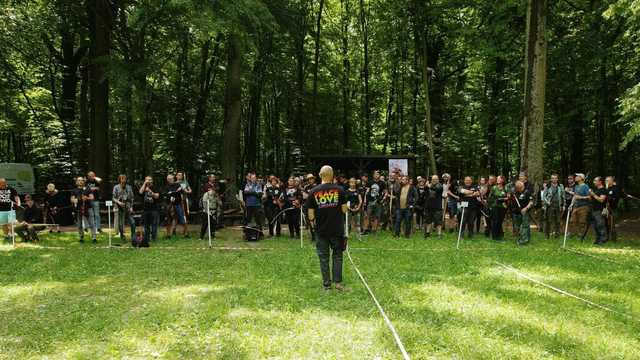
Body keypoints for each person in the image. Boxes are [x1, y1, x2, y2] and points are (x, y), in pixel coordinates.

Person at [306, 165, 348, 291]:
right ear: (332, 175)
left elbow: (311, 214)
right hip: (337, 229)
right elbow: (344, 210)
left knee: (323, 258)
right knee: (337, 256)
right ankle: (338, 283)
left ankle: (327, 286)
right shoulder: (340, 190)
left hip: (321, 230)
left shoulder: (313, 191)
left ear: (320, 175)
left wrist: (313, 225)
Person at [70, 176, 97, 243]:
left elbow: (92, 197)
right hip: (78, 209)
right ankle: (81, 237)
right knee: (79, 225)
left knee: (92, 223)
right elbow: (71, 199)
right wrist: (74, 200)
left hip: (88, 208)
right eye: (79, 180)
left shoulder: (87, 189)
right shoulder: (74, 190)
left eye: (82, 180)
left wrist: (87, 198)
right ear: (76, 182)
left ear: (84, 181)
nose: (80, 181)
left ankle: (94, 238)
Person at [112, 174, 136, 244]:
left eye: (125, 178)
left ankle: (133, 236)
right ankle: (122, 235)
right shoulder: (116, 187)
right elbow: (113, 198)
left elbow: (132, 198)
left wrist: (131, 207)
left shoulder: (129, 187)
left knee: (132, 222)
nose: (123, 180)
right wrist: (119, 202)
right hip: (119, 207)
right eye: (122, 178)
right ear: (119, 179)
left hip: (128, 206)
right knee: (120, 224)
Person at [165, 174, 188, 238]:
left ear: (173, 179)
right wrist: (175, 192)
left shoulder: (177, 185)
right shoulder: (166, 187)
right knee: (168, 219)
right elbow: (167, 194)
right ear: (167, 180)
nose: (170, 180)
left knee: (182, 218)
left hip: (178, 204)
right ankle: (168, 235)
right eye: (169, 179)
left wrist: (172, 192)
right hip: (169, 204)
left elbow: (181, 192)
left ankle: (186, 233)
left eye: (171, 178)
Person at [542, 174, 565, 239]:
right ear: (551, 179)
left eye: (555, 178)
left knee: (558, 221)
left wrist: (563, 205)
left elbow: (563, 196)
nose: (554, 179)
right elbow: (544, 196)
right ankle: (547, 235)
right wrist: (547, 202)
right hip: (550, 206)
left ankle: (557, 235)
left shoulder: (560, 186)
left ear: (557, 179)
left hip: (558, 205)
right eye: (552, 178)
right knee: (549, 221)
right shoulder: (548, 186)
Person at [139, 176, 160, 243]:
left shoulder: (155, 187)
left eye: (150, 180)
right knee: (146, 225)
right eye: (147, 180)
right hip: (145, 209)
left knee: (154, 225)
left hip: (154, 209)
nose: (149, 181)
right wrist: (144, 184)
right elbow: (140, 192)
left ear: (152, 181)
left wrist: (150, 191)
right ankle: (147, 238)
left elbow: (157, 196)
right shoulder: (144, 187)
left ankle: (153, 238)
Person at [569, 173, 590, 239]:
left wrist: (581, 197)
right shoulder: (576, 186)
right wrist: (571, 205)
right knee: (572, 220)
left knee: (582, 222)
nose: (575, 177)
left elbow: (589, 197)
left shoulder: (585, 186)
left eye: (577, 176)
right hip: (575, 206)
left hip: (583, 207)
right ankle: (572, 234)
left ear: (581, 178)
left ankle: (582, 235)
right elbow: (575, 196)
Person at [512, 180, 533, 245]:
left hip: (525, 212)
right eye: (518, 188)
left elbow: (531, 202)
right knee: (518, 226)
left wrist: (526, 208)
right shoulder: (515, 193)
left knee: (524, 226)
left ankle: (523, 240)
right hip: (517, 212)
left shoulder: (527, 192)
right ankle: (526, 238)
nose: (521, 189)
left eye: (522, 187)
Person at [488, 175, 509, 241]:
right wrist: (490, 205)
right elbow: (490, 197)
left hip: (503, 206)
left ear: (502, 180)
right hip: (495, 206)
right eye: (497, 178)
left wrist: (502, 199)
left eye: (499, 179)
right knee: (495, 221)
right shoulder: (494, 188)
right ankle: (494, 236)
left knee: (500, 221)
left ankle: (499, 235)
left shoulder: (505, 188)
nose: (497, 179)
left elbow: (508, 197)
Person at [589, 177, 608, 245]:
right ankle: (597, 239)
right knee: (595, 226)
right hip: (593, 210)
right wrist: (590, 194)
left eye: (595, 181)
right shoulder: (596, 189)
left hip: (599, 210)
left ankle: (603, 239)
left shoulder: (603, 190)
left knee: (600, 225)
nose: (594, 182)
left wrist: (593, 194)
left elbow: (601, 200)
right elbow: (592, 199)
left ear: (600, 182)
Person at [605, 176, 620, 241]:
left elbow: (616, 197)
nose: (606, 181)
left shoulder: (615, 188)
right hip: (605, 209)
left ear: (612, 181)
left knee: (612, 224)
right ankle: (607, 237)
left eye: (608, 180)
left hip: (613, 208)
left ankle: (614, 239)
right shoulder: (606, 188)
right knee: (606, 223)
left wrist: (610, 200)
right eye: (606, 180)